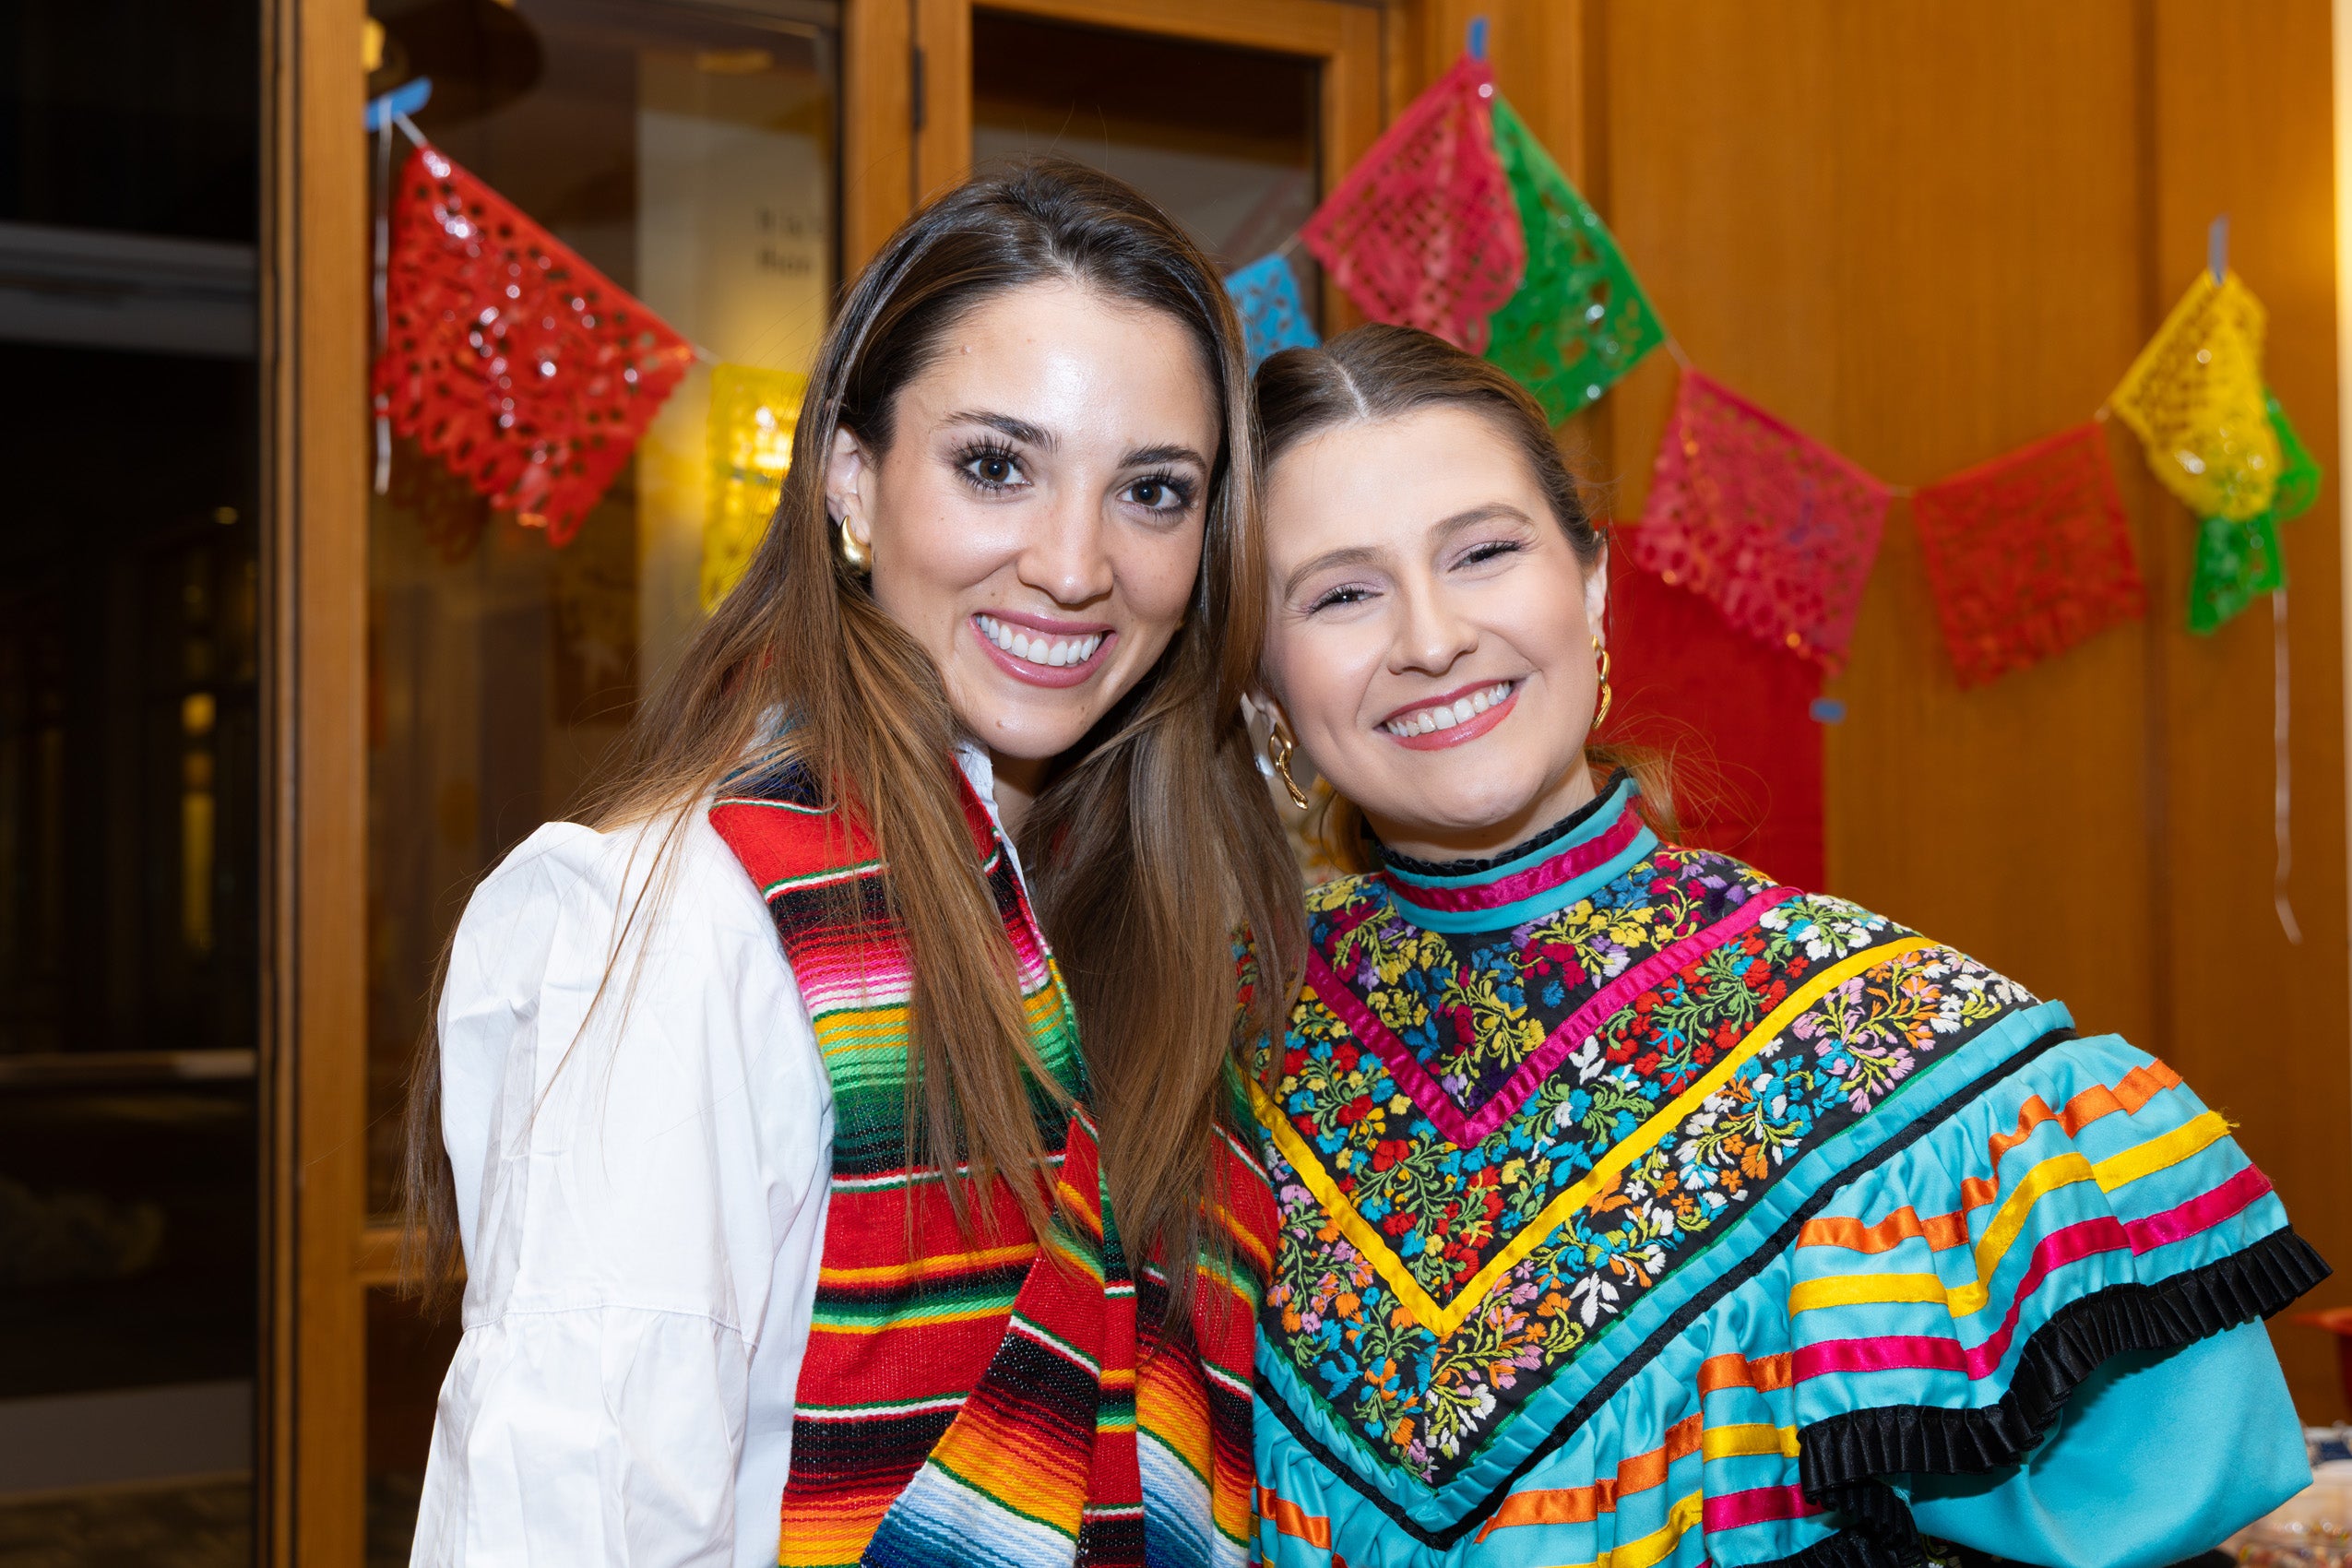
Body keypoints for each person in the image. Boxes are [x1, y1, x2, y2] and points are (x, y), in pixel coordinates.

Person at [1241, 325, 2323, 1568]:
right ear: (1262, 681)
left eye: (1482, 552)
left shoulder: (1913, 1058)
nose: (1429, 638)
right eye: (1338, 592)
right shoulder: (1190, 1056)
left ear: (1589, 587)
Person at [399, 158, 1302, 1568]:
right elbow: (563, 1522)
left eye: (1151, 491)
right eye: (996, 465)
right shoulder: (681, 918)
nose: (1074, 563)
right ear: (849, 478)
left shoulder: (1154, 922)